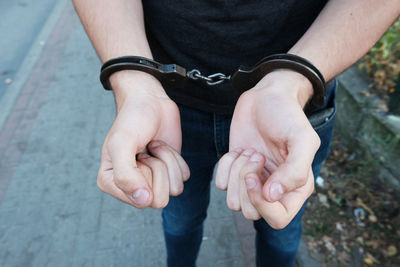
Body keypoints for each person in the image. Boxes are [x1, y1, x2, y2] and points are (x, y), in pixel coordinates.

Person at [72, 1, 399, 266]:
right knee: (179, 220)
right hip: (169, 106)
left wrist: (294, 81)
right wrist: (134, 84)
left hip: (290, 108)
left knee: (280, 226)